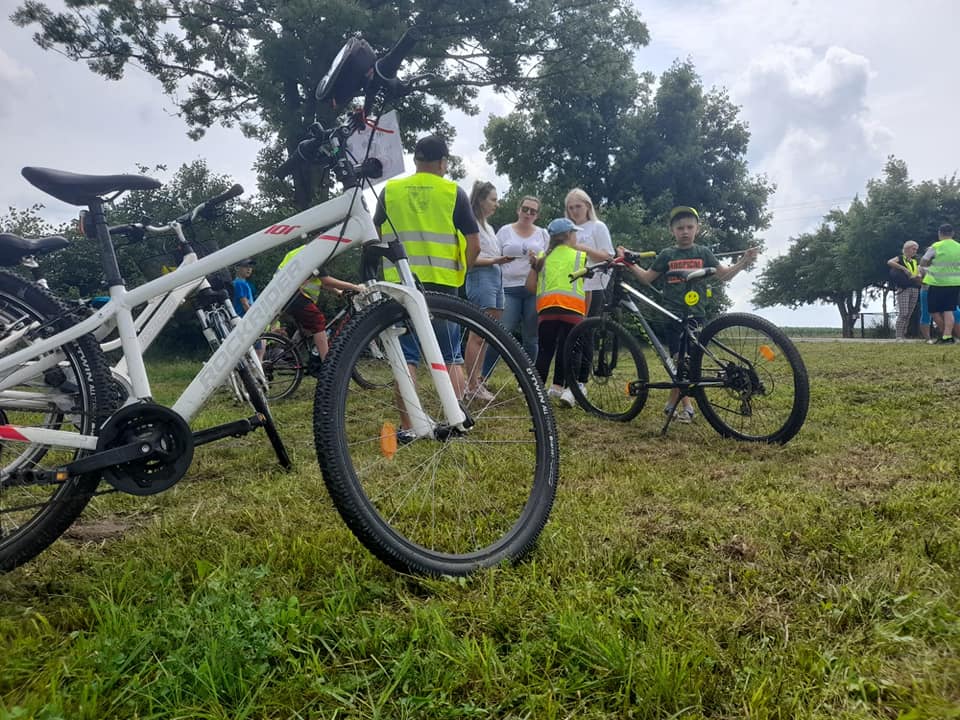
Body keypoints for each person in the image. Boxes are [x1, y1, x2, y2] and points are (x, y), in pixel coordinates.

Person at [374, 134, 481, 438]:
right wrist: (462, 272)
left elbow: (374, 234)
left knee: (406, 357)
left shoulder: (391, 190)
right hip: (443, 285)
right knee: (450, 354)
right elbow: (474, 244)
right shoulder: (453, 192)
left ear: (416, 160)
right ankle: (455, 420)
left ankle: (409, 428)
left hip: (400, 283)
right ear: (443, 162)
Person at [618, 206, 758, 423]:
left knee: (686, 364)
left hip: (696, 315)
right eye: (680, 228)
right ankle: (679, 406)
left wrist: (743, 261)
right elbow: (646, 278)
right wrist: (629, 263)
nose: (685, 231)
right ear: (672, 230)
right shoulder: (667, 255)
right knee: (679, 364)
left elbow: (724, 276)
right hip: (672, 315)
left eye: (689, 227)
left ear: (697, 229)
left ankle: (680, 407)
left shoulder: (703, 253)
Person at [526, 217, 612, 408]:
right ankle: (569, 391)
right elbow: (587, 289)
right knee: (572, 351)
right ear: (568, 235)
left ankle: (536, 393)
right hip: (573, 310)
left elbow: (530, 287)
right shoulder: (580, 257)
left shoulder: (542, 257)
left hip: (547, 311)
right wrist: (584, 315)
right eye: (574, 233)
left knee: (545, 351)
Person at [275, 244, 362, 374]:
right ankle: (328, 367)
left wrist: (338, 291)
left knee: (307, 329)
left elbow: (318, 281)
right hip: (294, 294)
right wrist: (354, 287)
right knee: (318, 321)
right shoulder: (316, 253)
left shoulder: (303, 250)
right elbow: (326, 280)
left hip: (284, 293)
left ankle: (292, 356)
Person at [463, 181, 511, 402]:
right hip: (481, 276)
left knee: (488, 333)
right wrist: (495, 260)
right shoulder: (471, 224)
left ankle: (477, 381)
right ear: (481, 200)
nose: (496, 204)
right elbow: (469, 258)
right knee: (478, 333)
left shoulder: (489, 227)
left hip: (496, 276)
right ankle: (471, 385)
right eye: (493, 199)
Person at [494, 196, 550, 367]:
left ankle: (529, 375)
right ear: (518, 210)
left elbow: (549, 262)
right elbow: (493, 257)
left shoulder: (543, 234)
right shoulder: (504, 231)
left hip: (533, 288)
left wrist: (537, 262)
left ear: (537, 215)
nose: (528, 214)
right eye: (525, 209)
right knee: (502, 333)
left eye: (533, 211)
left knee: (531, 337)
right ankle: (484, 375)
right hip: (508, 288)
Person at [565, 188, 614, 316]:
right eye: (571, 208)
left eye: (578, 206)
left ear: (587, 206)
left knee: (588, 325)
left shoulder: (598, 226)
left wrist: (582, 248)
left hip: (594, 285)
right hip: (570, 286)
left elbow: (608, 257)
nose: (575, 211)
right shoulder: (567, 230)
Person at [919, 223, 960, 345]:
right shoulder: (958, 247)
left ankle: (946, 335)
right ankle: (947, 336)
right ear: (952, 234)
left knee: (933, 311)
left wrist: (930, 266)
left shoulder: (936, 246)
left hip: (937, 282)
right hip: (954, 283)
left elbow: (923, 261)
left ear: (939, 233)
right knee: (949, 309)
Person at [887, 240, 921, 341]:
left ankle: (903, 334)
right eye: (913, 249)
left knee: (909, 313)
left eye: (916, 249)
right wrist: (903, 268)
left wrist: (918, 276)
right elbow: (890, 262)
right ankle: (898, 335)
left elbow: (916, 273)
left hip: (914, 287)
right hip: (903, 288)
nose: (915, 251)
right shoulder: (900, 258)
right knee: (904, 312)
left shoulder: (915, 261)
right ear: (907, 248)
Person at [232, 258, 264, 360]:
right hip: (244, 319)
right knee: (258, 349)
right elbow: (245, 303)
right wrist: (254, 318)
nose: (249, 269)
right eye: (245, 266)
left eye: (250, 267)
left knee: (258, 346)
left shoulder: (244, 283)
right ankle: (258, 367)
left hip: (244, 319)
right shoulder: (239, 283)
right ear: (237, 268)